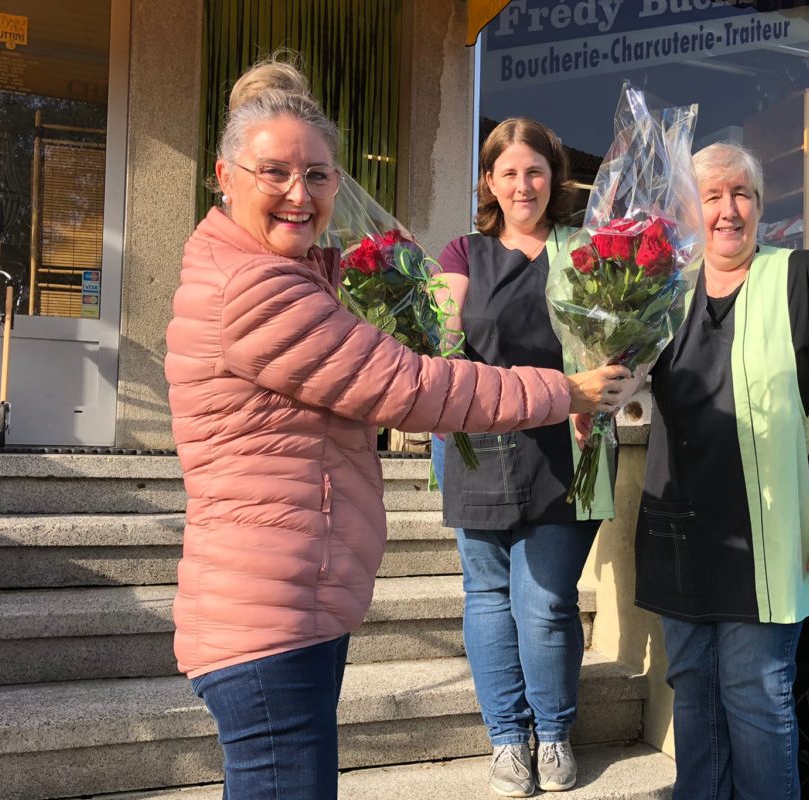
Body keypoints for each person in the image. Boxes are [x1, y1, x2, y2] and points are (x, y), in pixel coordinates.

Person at [164, 56, 632, 800]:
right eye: (274, 172)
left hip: (286, 597)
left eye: (318, 176)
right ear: (225, 176)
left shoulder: (270, 271)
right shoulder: (256, 290)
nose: (300, 193)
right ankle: (512, 737)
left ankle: (552, 731)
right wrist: (566, 389)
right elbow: (412, 381)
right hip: (268, 612)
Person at [633, 142, 809, 799]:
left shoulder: (803, 276)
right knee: (695, 697)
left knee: (759, 700)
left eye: (742, 194)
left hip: (766, 535)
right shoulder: (657, 292)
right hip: (680, 530)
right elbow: (620, 388)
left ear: (760, 206)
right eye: (712, 197)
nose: (728, 210)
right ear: (690, 211)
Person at [430, 117, 628, 797]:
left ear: (556, 179)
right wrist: (421, 332)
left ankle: (552, 732)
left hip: (566, 446)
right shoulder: (462, 253)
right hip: (478, 447)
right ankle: (507, 740)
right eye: (509, 172)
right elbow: (442, 330)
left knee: (544, 601)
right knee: (487, 596)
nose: (523, 184)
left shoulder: (587, 253)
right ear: (489, 181)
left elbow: (616, 345)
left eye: (536, 171)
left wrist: (618, 377)